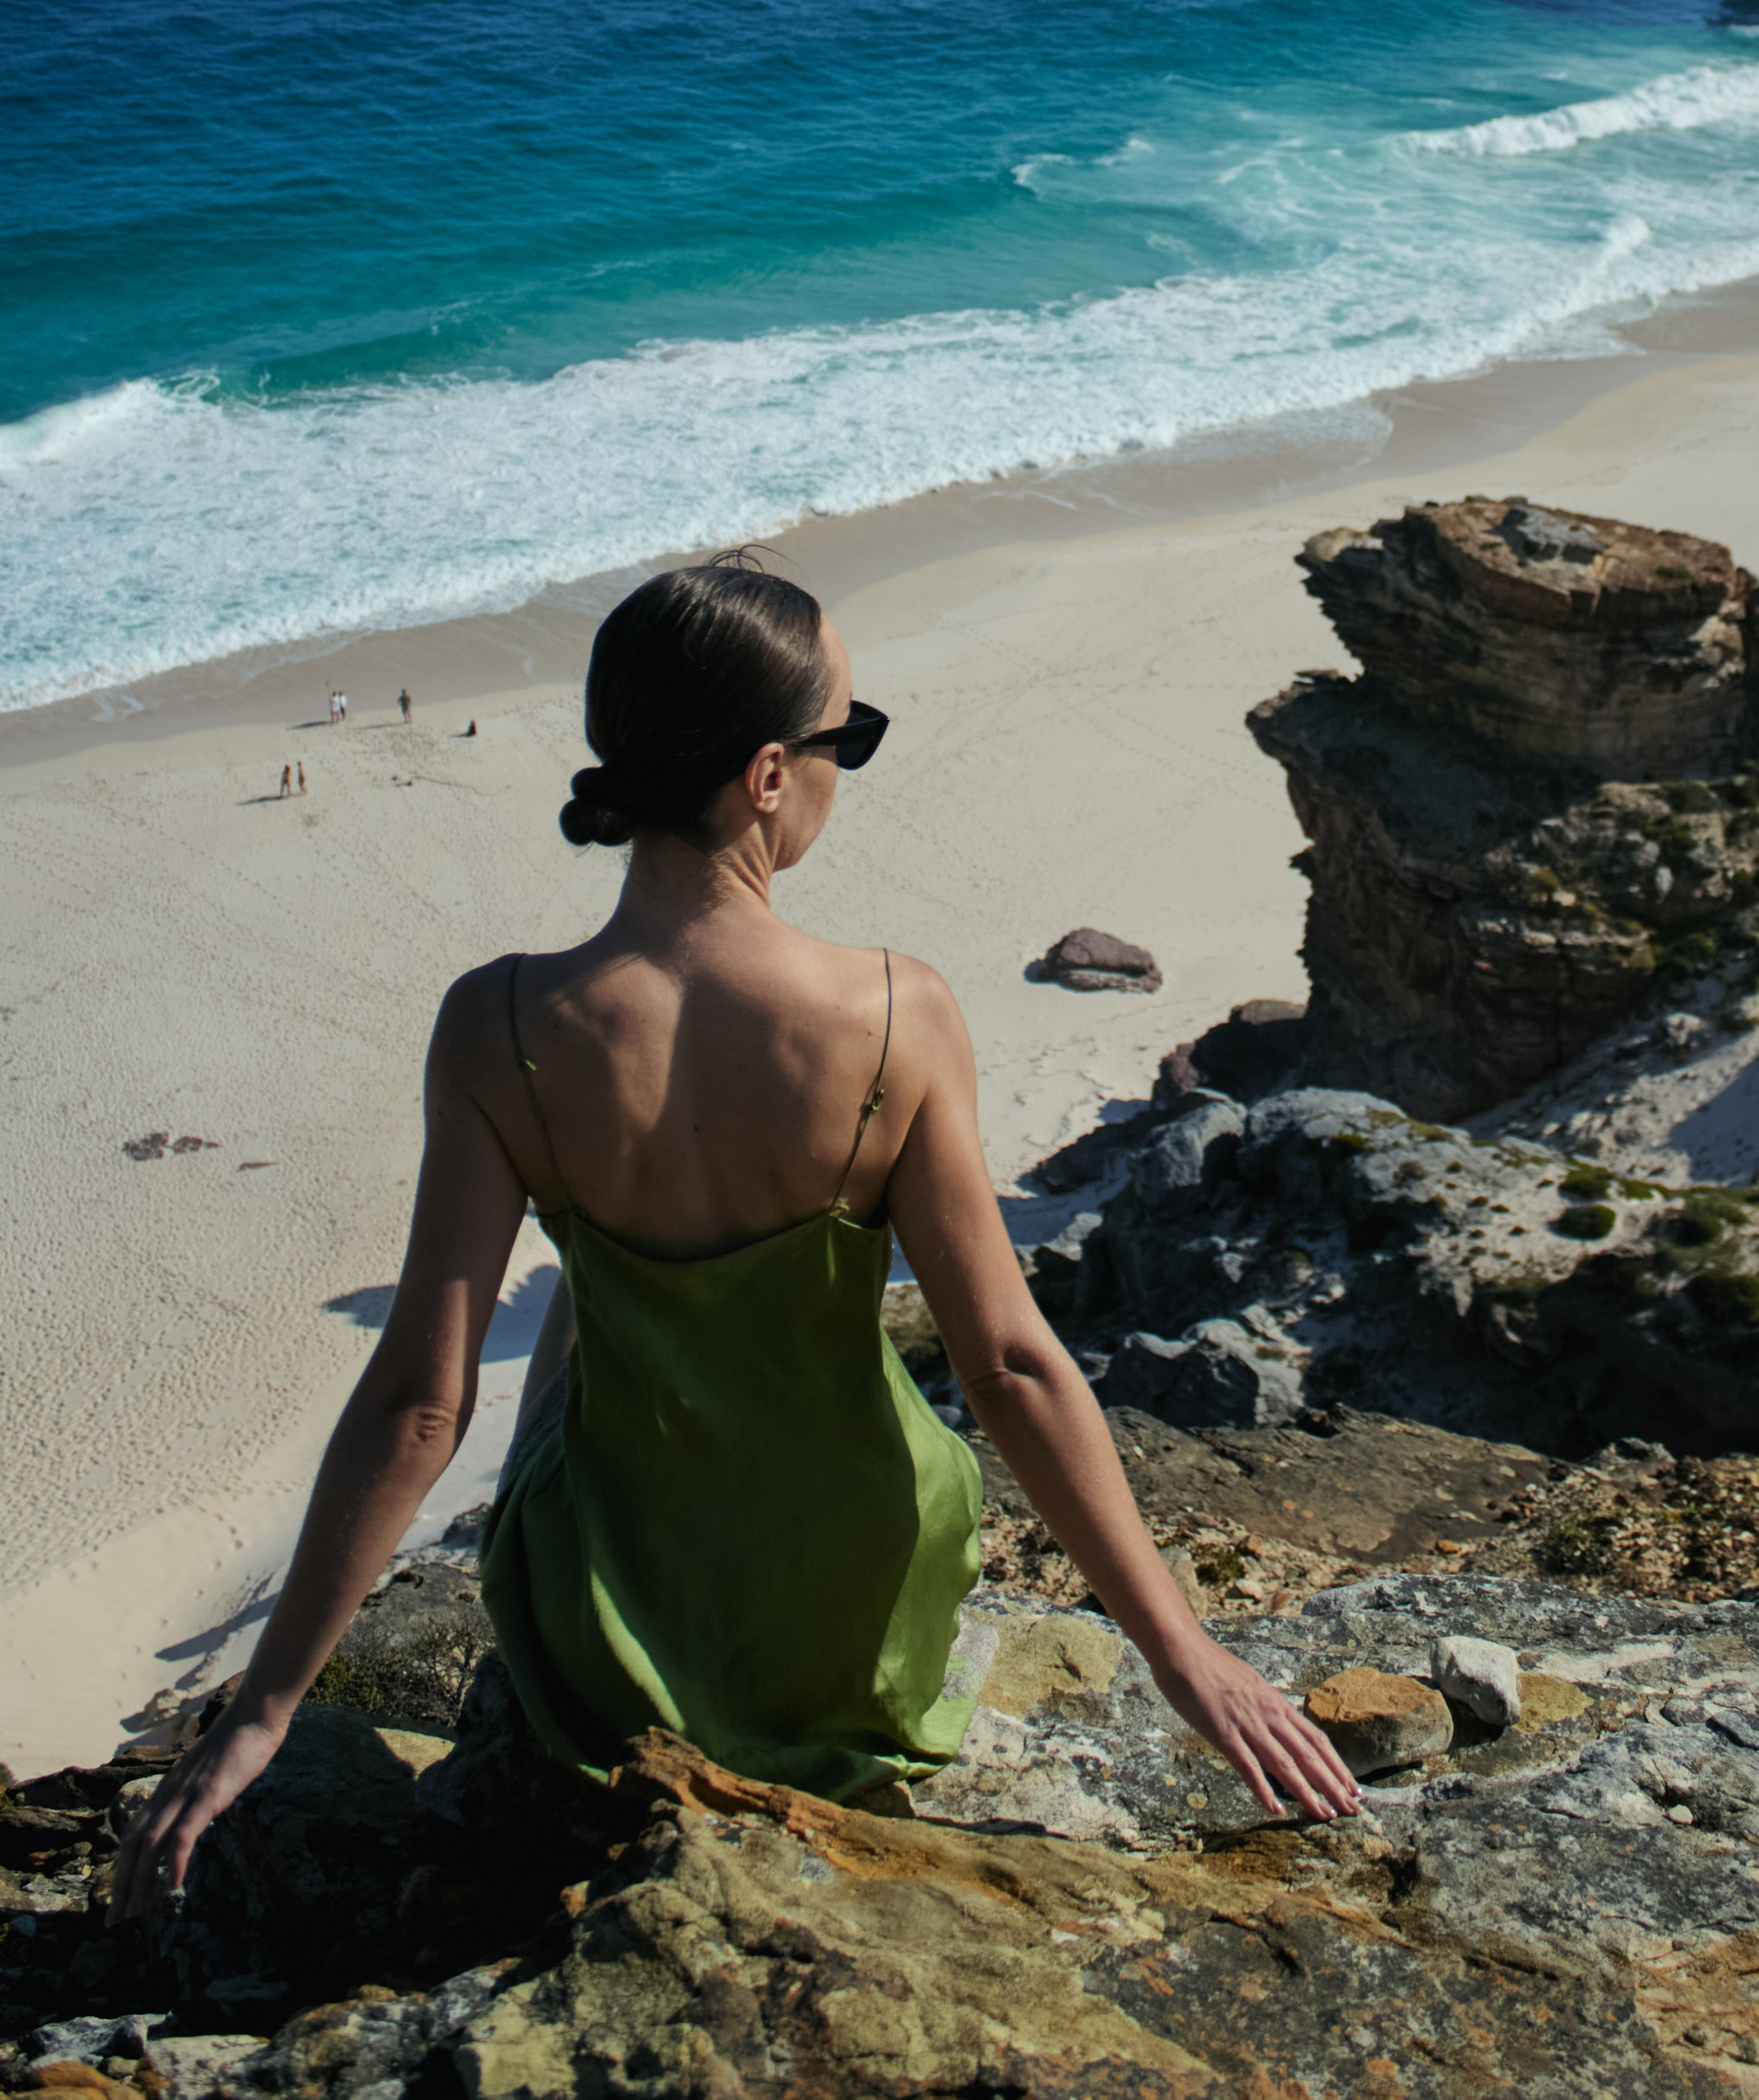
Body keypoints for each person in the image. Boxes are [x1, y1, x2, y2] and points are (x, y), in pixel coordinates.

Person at [113, 553, 1356, 1916]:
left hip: (607, 1649)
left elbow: (422, 1403)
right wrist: (1182, 1652)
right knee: (654, 1299)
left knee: (591, 1275)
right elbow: (1007, 1364)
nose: (844, 768)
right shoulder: (896, 1012)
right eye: (846, 739)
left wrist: (265, 1709)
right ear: (768, 776)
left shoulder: (498, 1024)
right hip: (853, 1624)